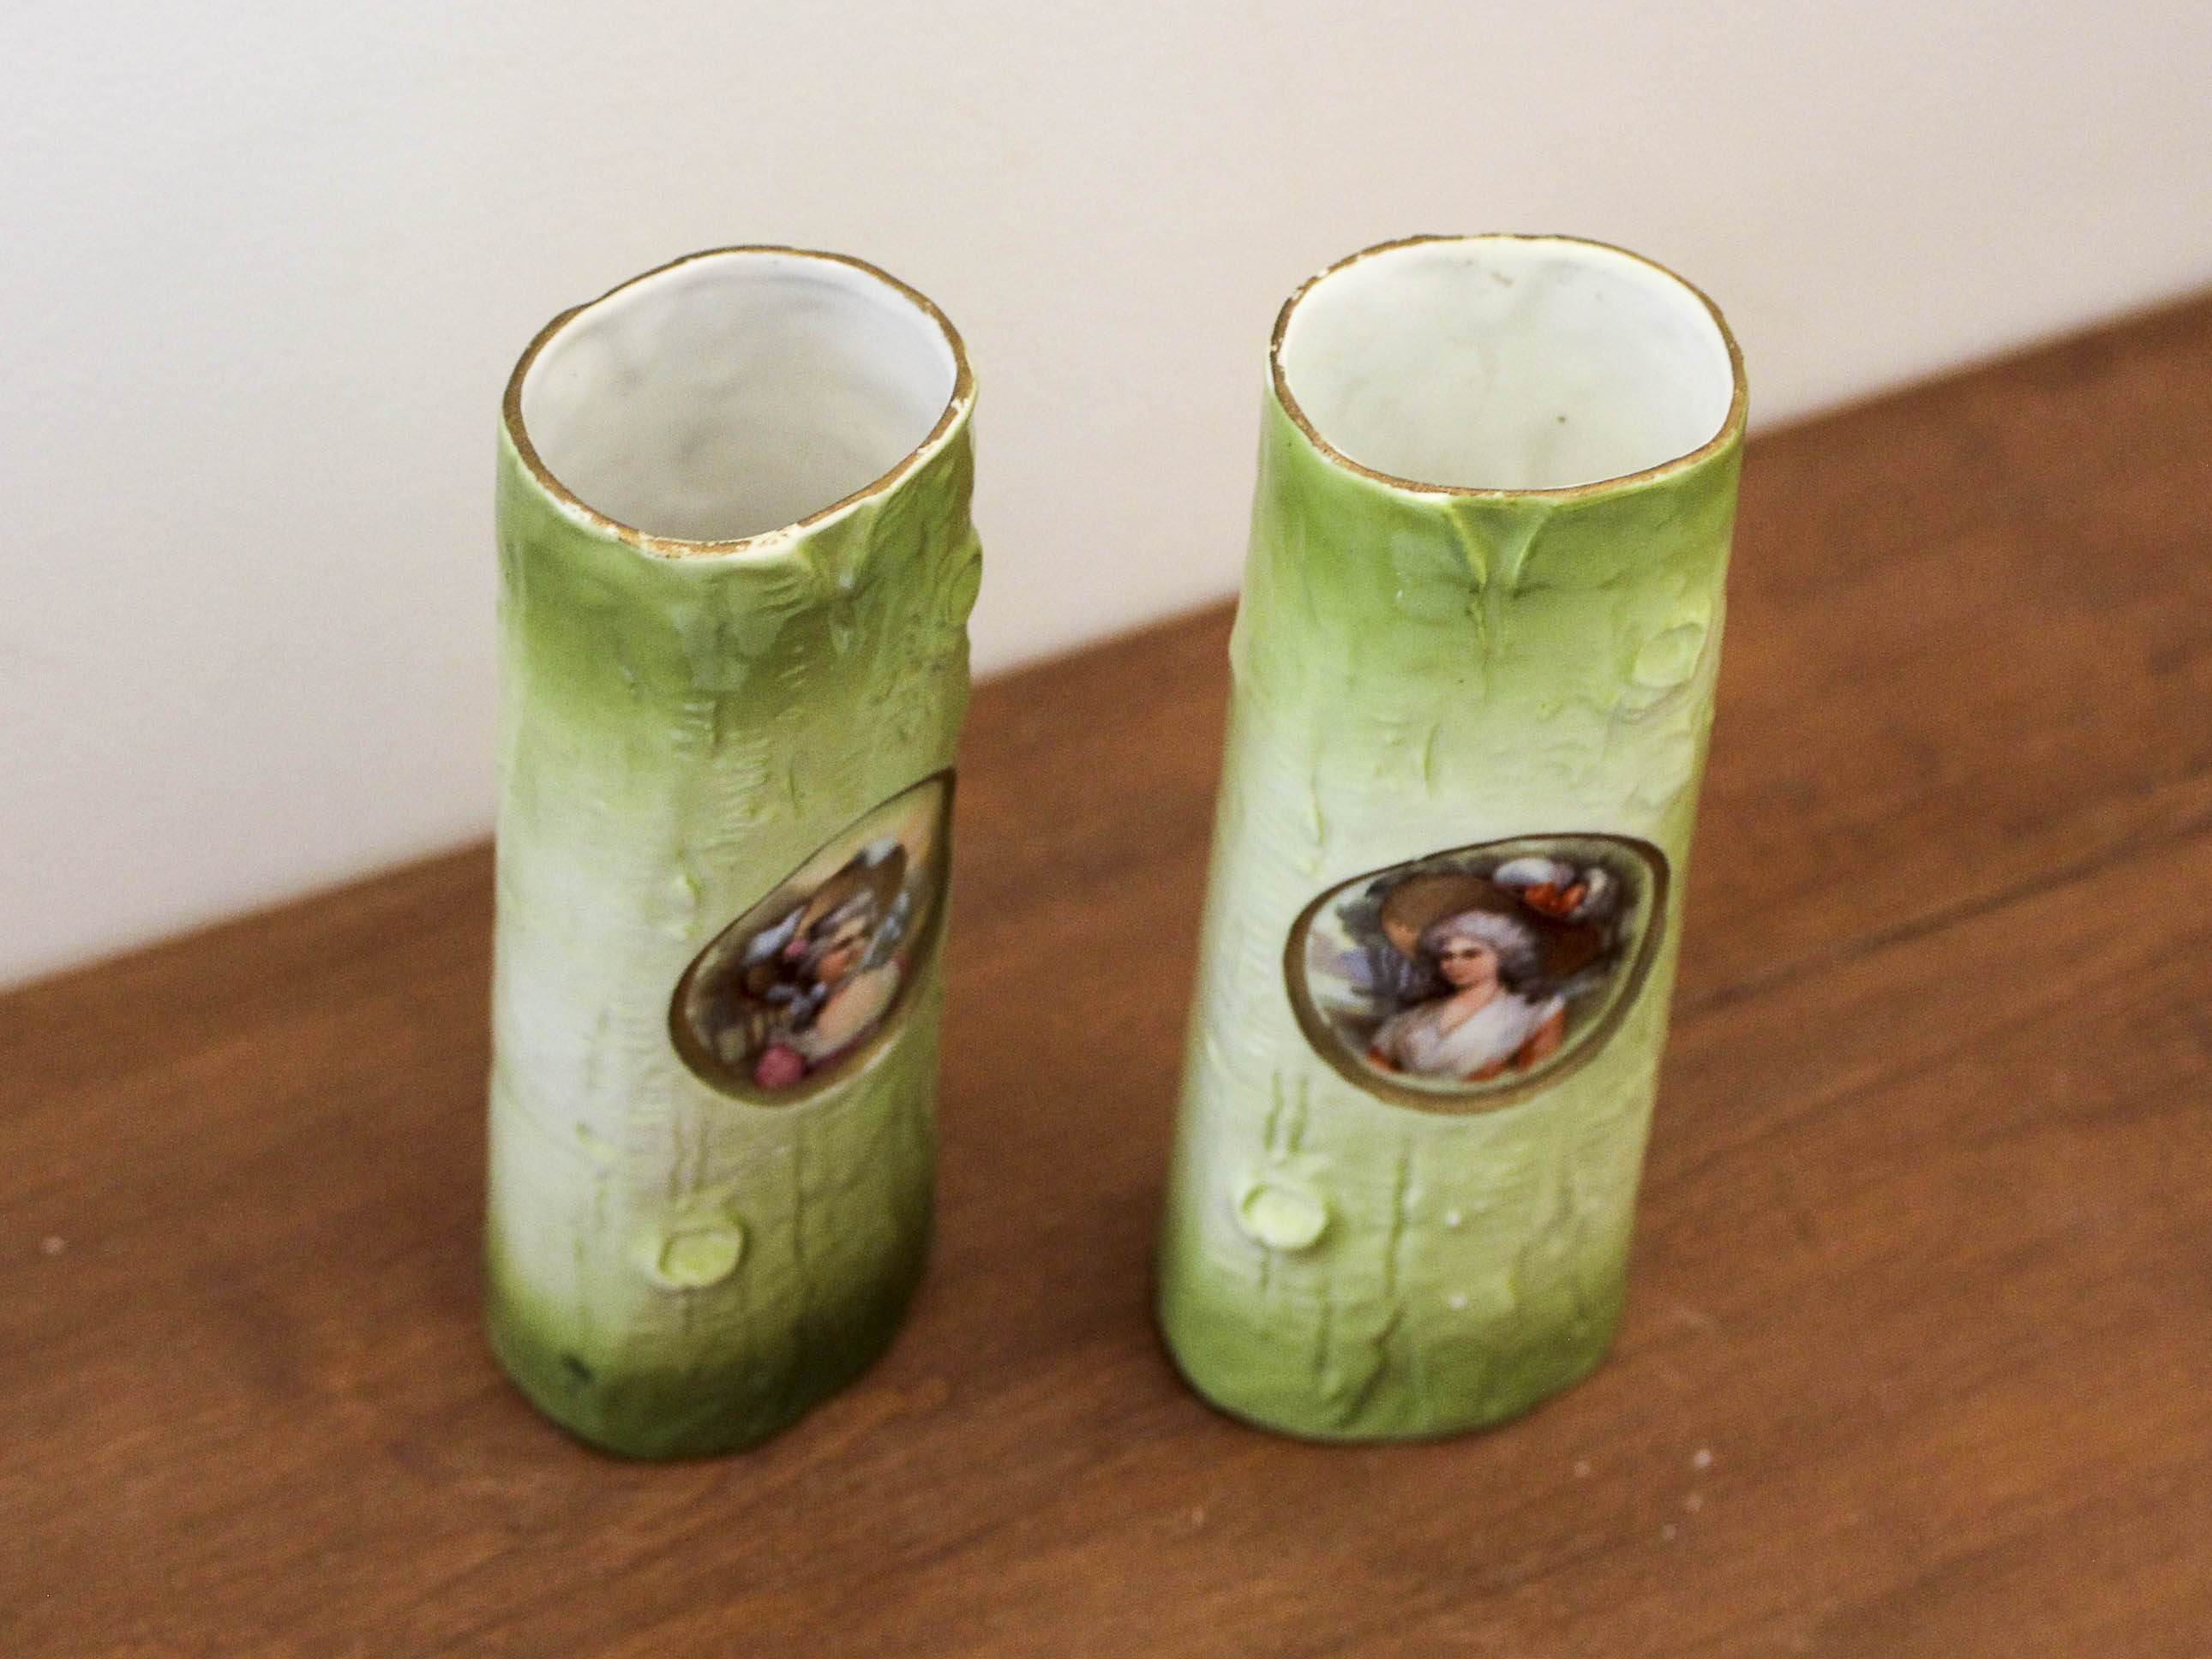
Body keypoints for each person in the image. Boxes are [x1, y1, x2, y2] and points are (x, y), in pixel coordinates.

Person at [1365, 908, 1565, 1082]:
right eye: (1447, 956)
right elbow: (1374, 1060)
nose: (1455, 964)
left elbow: (1536, 1079)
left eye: (1471, 954)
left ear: (1503, 956)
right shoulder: (1415, 1016)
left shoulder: (1534, 1010)